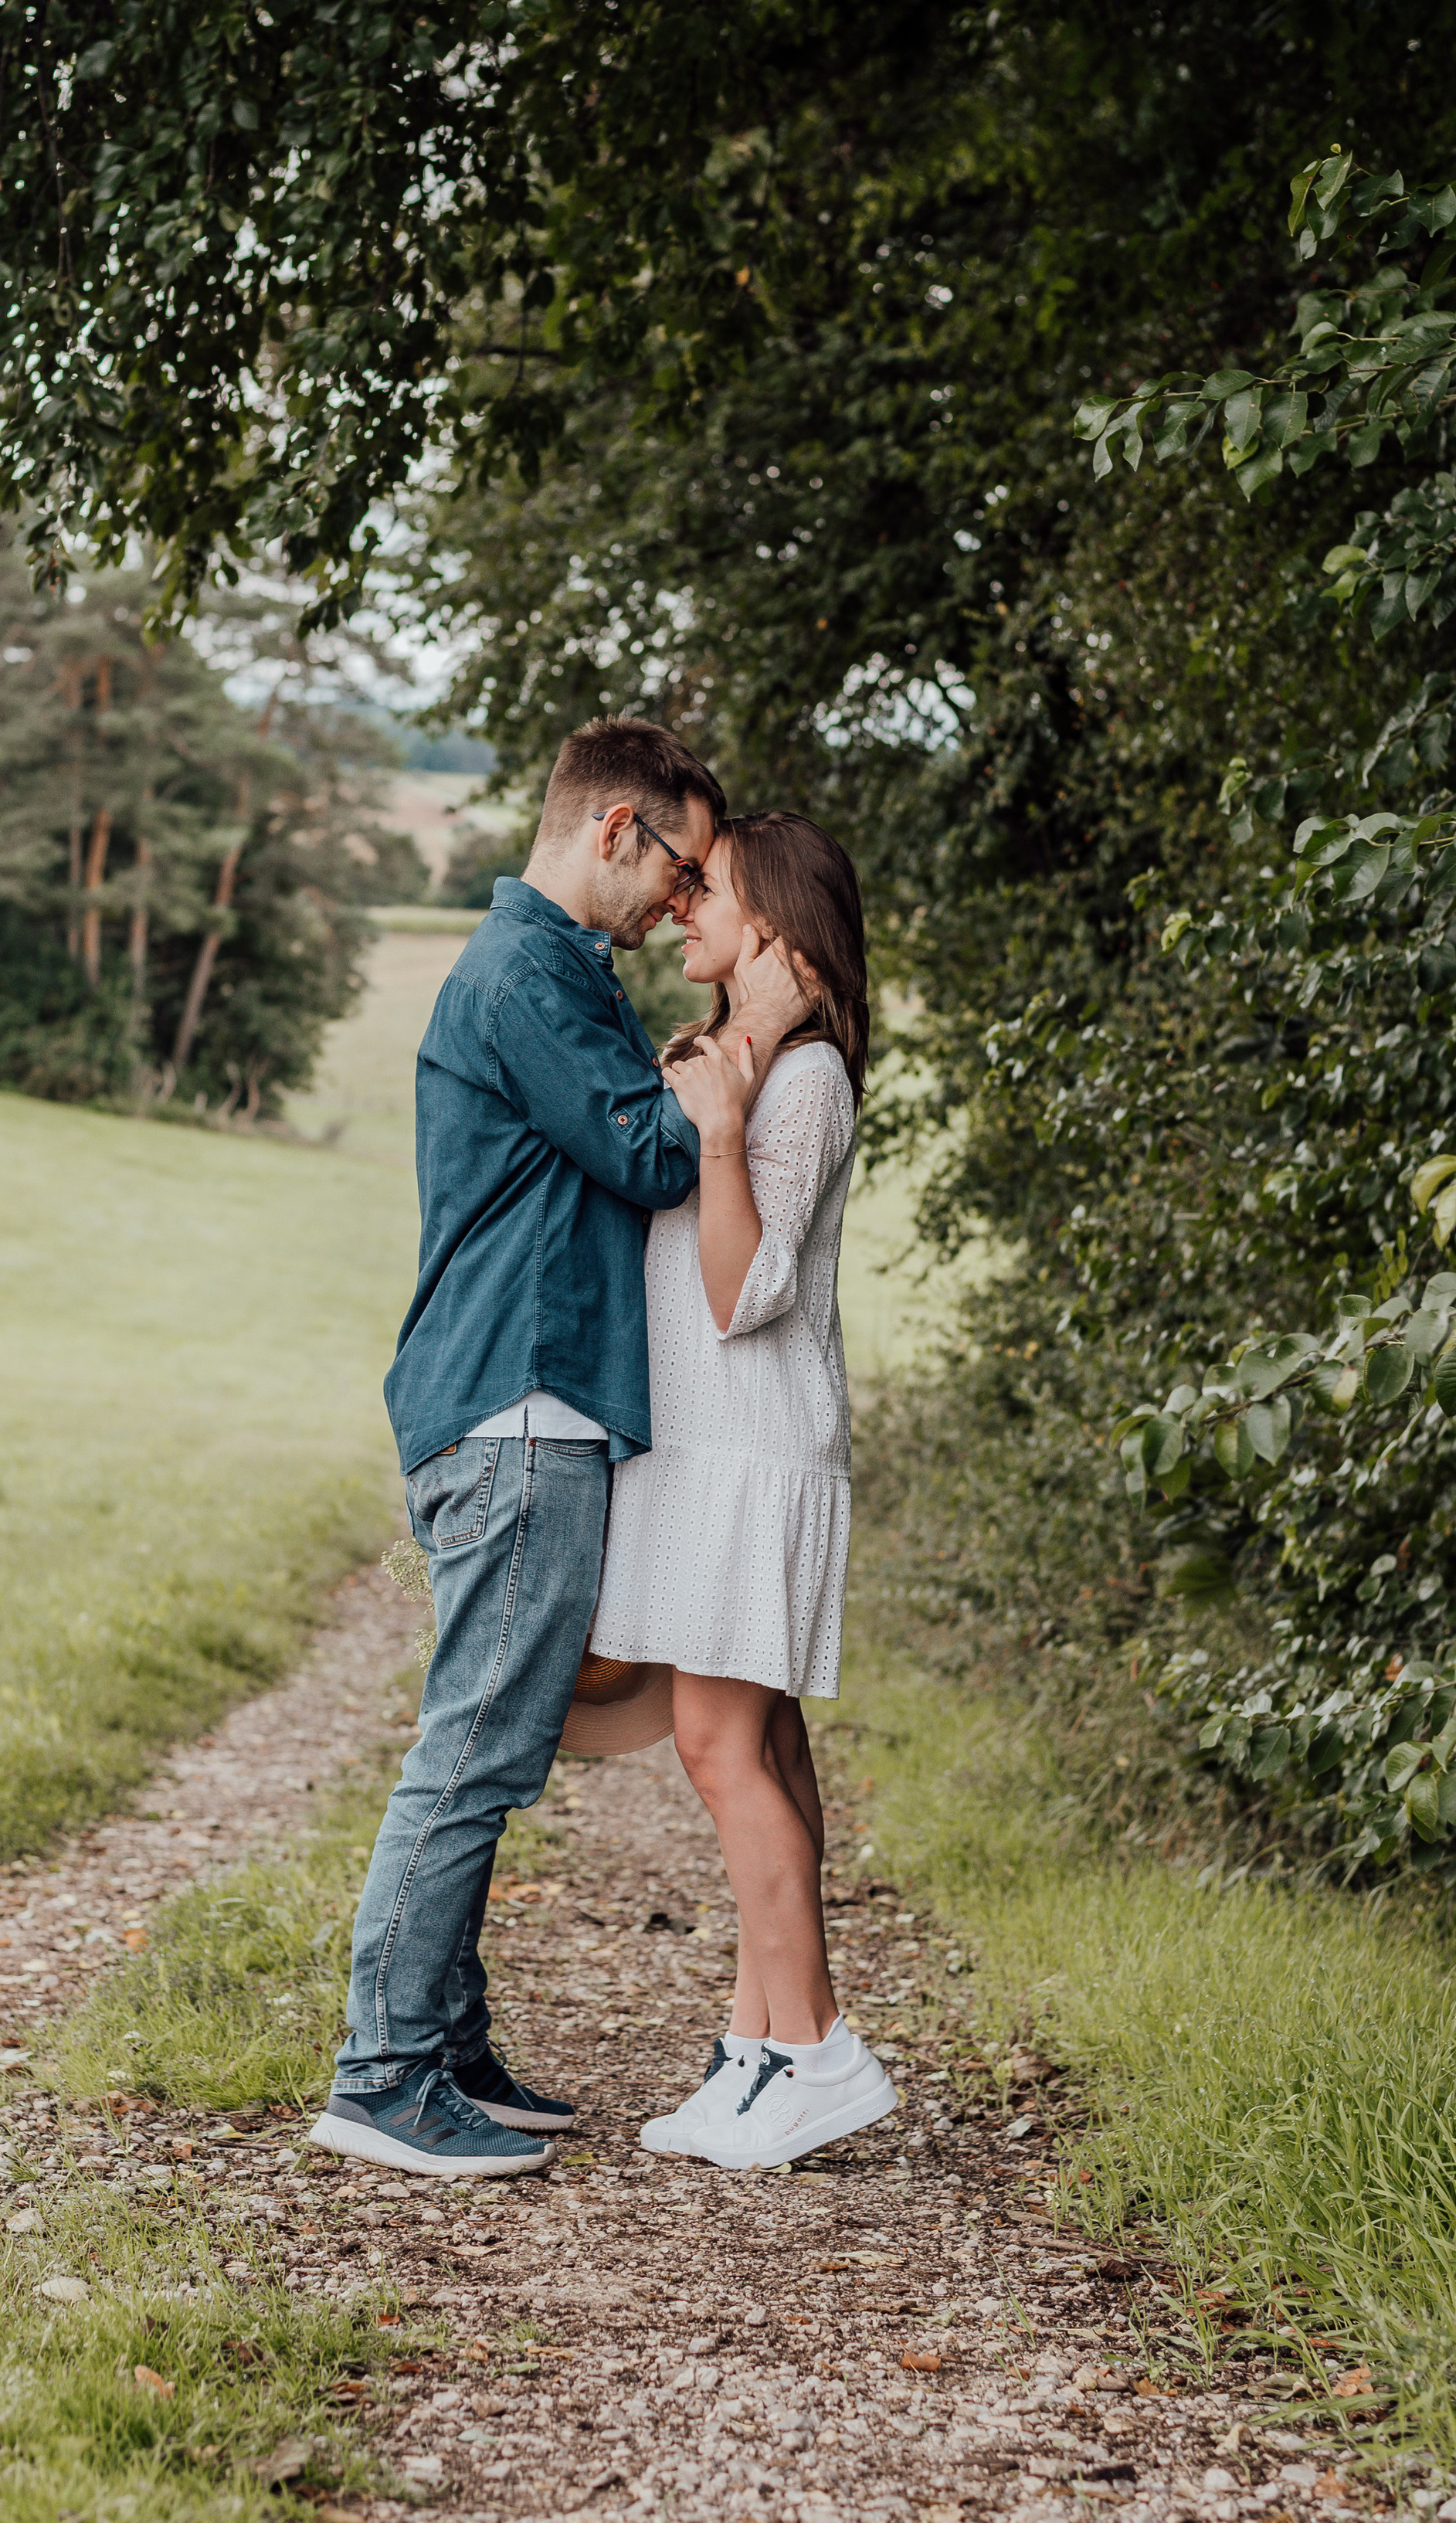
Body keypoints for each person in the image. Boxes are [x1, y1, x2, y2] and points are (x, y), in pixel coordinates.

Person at [309, 719, 809, 2178]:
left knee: (496, 1735)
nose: (677, 905)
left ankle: (444, 2044)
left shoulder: (550, 973)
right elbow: (657, 1152)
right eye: (674, 866)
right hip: (519, 1400)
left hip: (526, 1398)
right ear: (611, 830)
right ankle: (385, 2073)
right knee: (475, 1745)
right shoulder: (527, 969)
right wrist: (760, 1031)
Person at [585, 810, 900, 2169]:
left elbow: (741, 1293)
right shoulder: (763, 1061)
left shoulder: (805, 1080)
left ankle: (820, 2048)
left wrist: (719, 1130)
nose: (683, 901)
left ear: (775, 920)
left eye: (710, 887)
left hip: (752, 1450)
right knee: (757, 1747)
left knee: (721, 1751)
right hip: (718, 1447)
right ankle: (760, 2045)